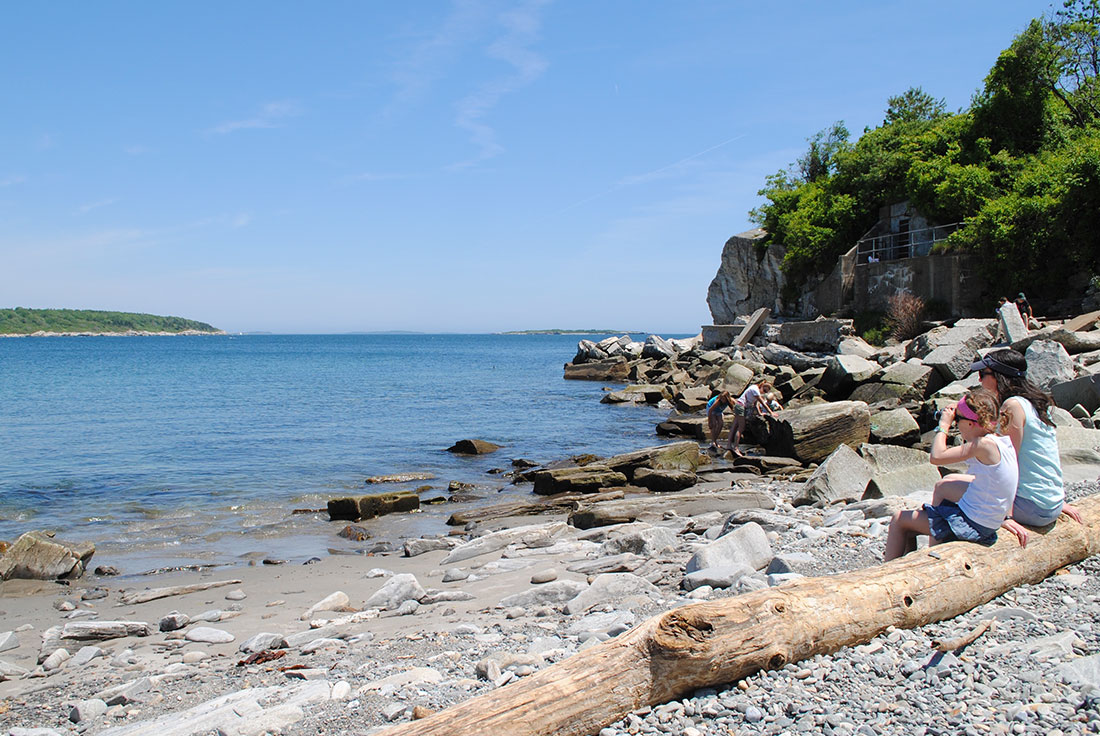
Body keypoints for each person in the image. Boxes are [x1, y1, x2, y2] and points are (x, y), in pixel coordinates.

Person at [884, 389, 1017, 561]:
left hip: (974, 525)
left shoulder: (981, 445)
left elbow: (937, 457)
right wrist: (959, 408)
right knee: (944, 485)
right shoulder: (999, 439)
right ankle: (935, 543)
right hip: (990, 519)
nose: (956, 425)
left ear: (971, 424)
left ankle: (893, 566)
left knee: (899, 519)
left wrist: (944, 425)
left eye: (958, 420)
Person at [970, 349, 1084, 546]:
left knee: (947, 489)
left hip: (1031, 507)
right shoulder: (1037, 403)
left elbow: (1007, 462)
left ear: (999, 377)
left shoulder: (1012, 406)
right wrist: (1053, 501)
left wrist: (1004, 516)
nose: (980, 381)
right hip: (1050, 502)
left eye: (983, 374)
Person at [728, 380, 778, 457]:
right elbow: (762, 402)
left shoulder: (754, 388)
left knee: (735, 425)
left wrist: (760, 413)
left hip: (739, 405)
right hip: (740, 406)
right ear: (762, 386)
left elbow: (755, 404)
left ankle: (729, 445)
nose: (764, 393)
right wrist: (771, 412)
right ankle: (735, 447)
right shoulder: (755, 390)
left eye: (765, 392)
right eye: (764, 390)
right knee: (741, 427)